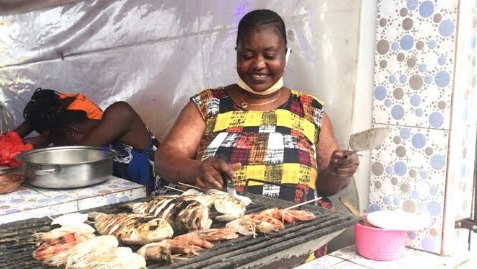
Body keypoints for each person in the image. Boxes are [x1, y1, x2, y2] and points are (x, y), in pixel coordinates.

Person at [156, 8, 359, 204]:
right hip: (219, 230)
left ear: (285, 54)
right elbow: (165, 159)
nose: (258, 64)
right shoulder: (208, 103)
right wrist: (198, 169)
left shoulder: (310, 110)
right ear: (237, 53)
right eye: (247, 55)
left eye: (269, 56)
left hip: (299, 229)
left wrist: (337, 172)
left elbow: (325, 187)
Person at [42, 100, 163, 194]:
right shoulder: (101, 147)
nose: (72, 149)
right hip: (139, 204)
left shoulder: (119, 112)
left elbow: (77, 154)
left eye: (69, 146)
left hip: (167, 200)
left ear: (70, 132)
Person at [11, 89, 104, 147]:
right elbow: (18, 132)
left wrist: (15, 147)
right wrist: (4, 140)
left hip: (91, 144)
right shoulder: (58, 100)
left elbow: (41, 140)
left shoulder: (76, 111)